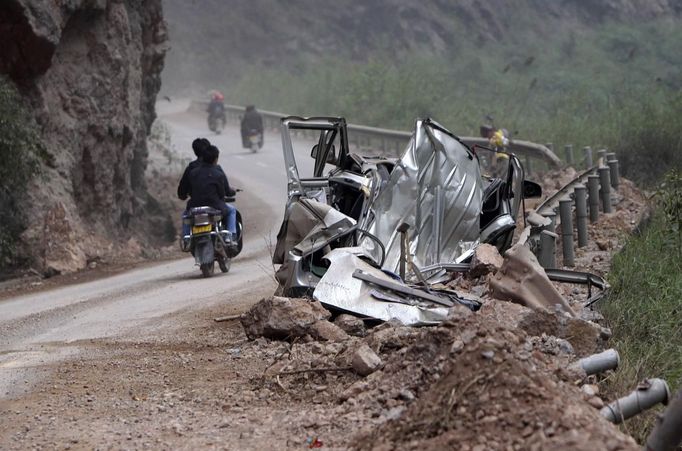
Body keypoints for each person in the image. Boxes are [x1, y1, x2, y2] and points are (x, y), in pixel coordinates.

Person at [187, 145, 237, 242]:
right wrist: (232, 192)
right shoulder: (218, 174)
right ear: (216, 159)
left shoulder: (193, 173)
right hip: (215, 207)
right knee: (232, 210)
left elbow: (189, 191)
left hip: (194, 207)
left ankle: (186, 238)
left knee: (185, 216)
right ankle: (229, 236)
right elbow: (223, 193)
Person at [178, 138, 211, 246]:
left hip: (194, 205)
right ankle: (230, 237)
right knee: (230, 211)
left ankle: (186, 240)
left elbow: (182, 190)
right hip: (214, 204)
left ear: (195, 151)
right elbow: (222, 186)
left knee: (185, 216)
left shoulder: (190, 169)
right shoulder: (214, 167)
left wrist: (183, 195)